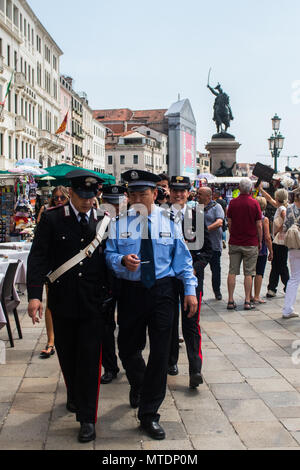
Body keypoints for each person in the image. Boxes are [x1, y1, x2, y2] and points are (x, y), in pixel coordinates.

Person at [105, 169, 198, 441]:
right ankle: (139, 383)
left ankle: (149, 413)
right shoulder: (118, 224)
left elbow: (182, 260)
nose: (136, 198)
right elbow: (109, 254)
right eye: (131, 193)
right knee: (127, 348)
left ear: (154, 194)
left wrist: (190, 291)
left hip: (162, 291)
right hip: (132, 292)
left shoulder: (169, 221)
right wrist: (121, 261)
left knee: (159, 353)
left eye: (142, 193)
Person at [27, 170, 109, 444]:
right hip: (62, 301)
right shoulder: (52, 219)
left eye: (92, 195)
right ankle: (74, 394)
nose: (88, 201)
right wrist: (35, 295)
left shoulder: (104, 221)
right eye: (82, 196)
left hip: (93, 302)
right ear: (71, 193)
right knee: (68, 356)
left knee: (89, 359)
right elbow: (38, 257)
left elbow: (109, 260)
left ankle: (87, 418)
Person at [167, 176, 212, 387]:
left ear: (188, 193)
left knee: (191, 324)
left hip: (191, 280)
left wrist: (194, 269)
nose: (178, 195)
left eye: (182, 191)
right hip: (167, 278)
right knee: (168, 322)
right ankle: (171, 362)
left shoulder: (197, 216)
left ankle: (195, 369)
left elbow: (207, 251)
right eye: (175, 191)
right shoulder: (161, 216)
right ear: (169, 192)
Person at [100, 185, 128, 384]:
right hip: (105, 280)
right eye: (110, 202)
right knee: (105, 326)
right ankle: (110, 367)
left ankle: (129, 360)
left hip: (127, 281)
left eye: (117, 202)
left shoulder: (134, 223)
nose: (114, 206)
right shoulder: (98, 223)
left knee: (128, 325)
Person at [38, 186, 70, 360]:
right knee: (50, 304)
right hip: (53, 267)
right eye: (56, 198)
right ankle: (51, 340)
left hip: (70, 267)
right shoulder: (47, 213)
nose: (58, 200)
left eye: (62, 198)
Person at [226, 178, 263, 310]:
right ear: (250, 189)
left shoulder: (232, 203)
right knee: (249, 273)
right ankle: (247, 300)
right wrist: (260, 240)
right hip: (250, 242)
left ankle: (230, 300)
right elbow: (259, 224)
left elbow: (229, 222)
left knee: (232, 271)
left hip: (235, 241)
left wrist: (232, 233)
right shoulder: (254, 203)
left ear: (239, 189)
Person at [260, 185, 290, 298]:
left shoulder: (282, 209)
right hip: (279, 241)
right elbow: (268, 199)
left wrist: (278, 230)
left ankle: (280, 287)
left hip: (280, 241)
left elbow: (287, 220)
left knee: (280, 265)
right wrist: (261, 190)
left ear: (278, 197)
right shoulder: (280, 206)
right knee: (278, 264)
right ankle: (274, 288)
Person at [197, 186, 224, 300]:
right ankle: (199, 293)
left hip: (214, 245)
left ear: (208, 196)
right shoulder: (196, 207)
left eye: (200, 194)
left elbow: (219, 222)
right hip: (200, 246)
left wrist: (205, 230)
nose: (197, 196)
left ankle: (217, 291)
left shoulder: (217, 207)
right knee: (199, 270)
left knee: (215, 270)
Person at [282, 186, 300, 319]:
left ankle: (287, 309)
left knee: (294, 278)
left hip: (294, 246)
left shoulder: (289, 208)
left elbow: (285, 228)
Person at [251, 197, 273, 304]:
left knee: (250, 272)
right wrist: (271, 251)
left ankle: (248, 295)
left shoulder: (250, 217)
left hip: (250, 247)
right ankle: (256, 296)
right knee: (259, 272)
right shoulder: (264, 219)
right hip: (261, 249)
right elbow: (267, 237)